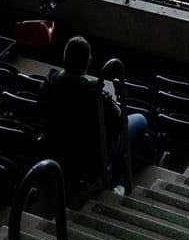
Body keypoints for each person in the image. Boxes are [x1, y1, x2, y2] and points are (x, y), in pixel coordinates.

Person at [37, 35, 146, 194]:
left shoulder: (46, 86)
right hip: (88, 157)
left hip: (57, 150)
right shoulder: (93, 96)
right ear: (89, 62)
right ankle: (117, 180)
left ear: (64, 58)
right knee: (141, 121)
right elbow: (119, 125)